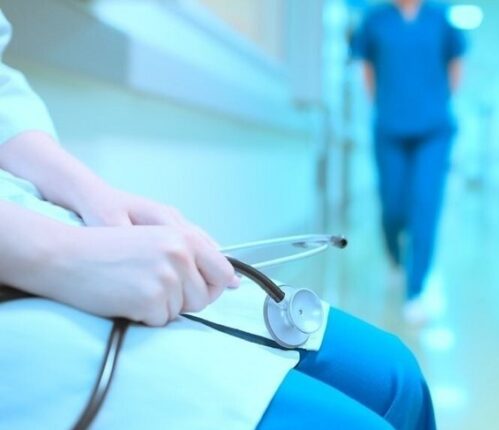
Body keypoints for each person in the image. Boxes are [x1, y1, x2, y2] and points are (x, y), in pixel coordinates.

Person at [0, 10, 435, 429]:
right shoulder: (378, 22)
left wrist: (95, 196)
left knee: (398, 378)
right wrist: (53, 255)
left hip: (33, 211)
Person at [353, 0, 466, 324]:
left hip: (433, 130)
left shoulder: (439, 17)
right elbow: (367, 70)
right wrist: (387, 105)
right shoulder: (375, 20)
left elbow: (456, 64)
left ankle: (416, 290)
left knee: (425, 205)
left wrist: (435, 103)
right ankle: (394, 255)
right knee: (393, 207)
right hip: (389, 128)